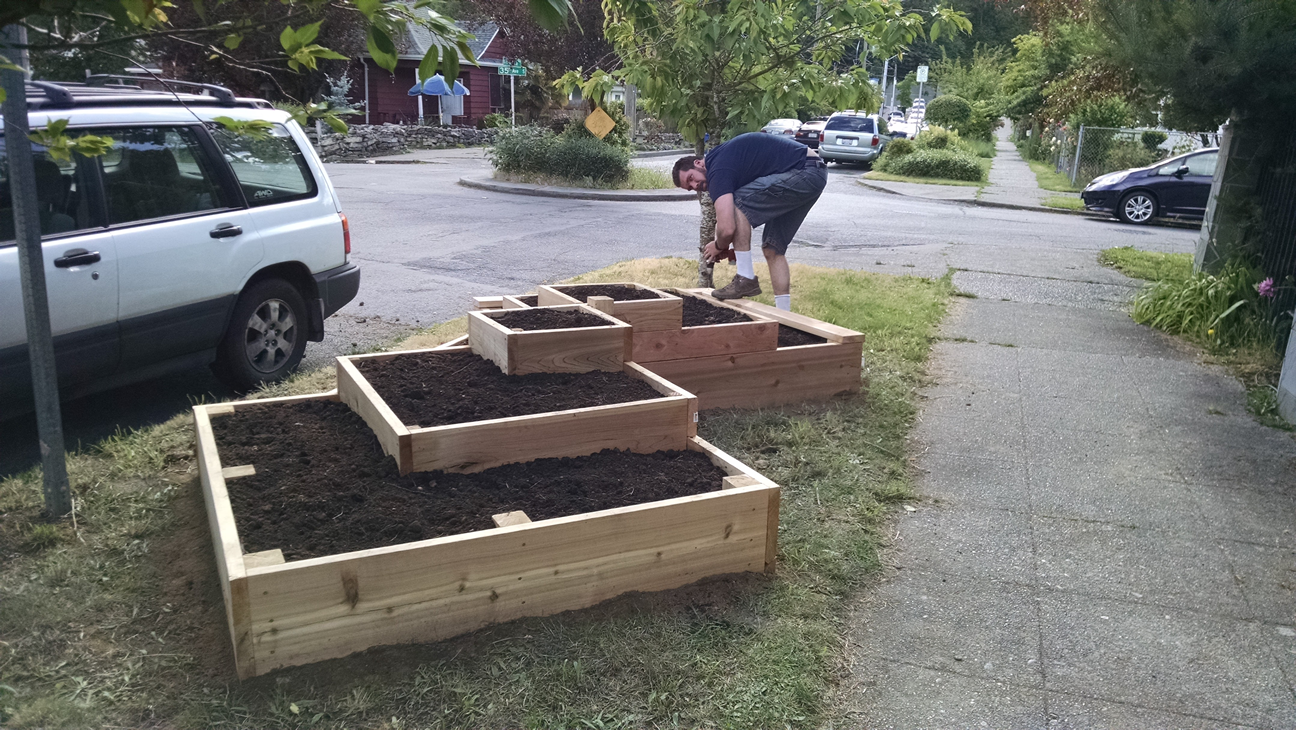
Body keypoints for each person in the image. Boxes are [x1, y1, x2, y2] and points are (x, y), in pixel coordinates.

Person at [672, 132, 828, 309]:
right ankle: (784, 317)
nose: (695, 186)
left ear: (698, 163)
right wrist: (727, 246)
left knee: (738, 202)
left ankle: (745, 277)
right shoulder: (723, 162)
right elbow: (732, 225)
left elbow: (727, 227)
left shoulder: (716, 169)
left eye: (691, 178)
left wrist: (718, 245)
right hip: (813, 173)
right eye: (690, 188)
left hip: (804, 171)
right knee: (772, 248)